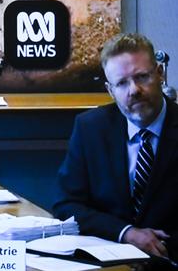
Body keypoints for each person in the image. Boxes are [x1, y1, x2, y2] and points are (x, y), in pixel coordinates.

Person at [54, 33, 178, 262]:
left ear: (159, 74)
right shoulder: (90, 128)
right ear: (110, 90)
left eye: (142, 77)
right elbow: (66, 204)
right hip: (107, 260)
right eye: (122, 83)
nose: (133, 90)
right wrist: (126, 234)